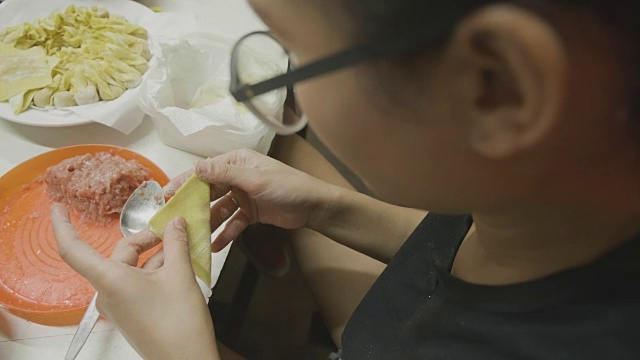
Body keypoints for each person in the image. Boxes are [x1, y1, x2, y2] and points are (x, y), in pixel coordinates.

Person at [51, 0, 640, 358]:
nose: (287, 85)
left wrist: (183, 354)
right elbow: (455, 247)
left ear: (498, 85)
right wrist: (329, 210)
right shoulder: (549, 204)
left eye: (296, 53)